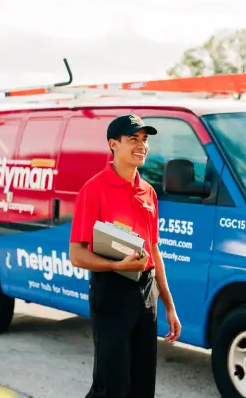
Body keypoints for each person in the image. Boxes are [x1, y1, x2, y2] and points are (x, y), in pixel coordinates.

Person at [69, 114, 181, 398]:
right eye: (133, 139)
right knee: (111, 384)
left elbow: (154, 250)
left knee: (143, 384)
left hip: (146, 292)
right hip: (112, 291)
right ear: (113, 144)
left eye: (144, 140)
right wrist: (116, 264)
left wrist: (168, 305)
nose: (142, 145)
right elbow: (76, 254)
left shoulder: (148, 192)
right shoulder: (93, 191)